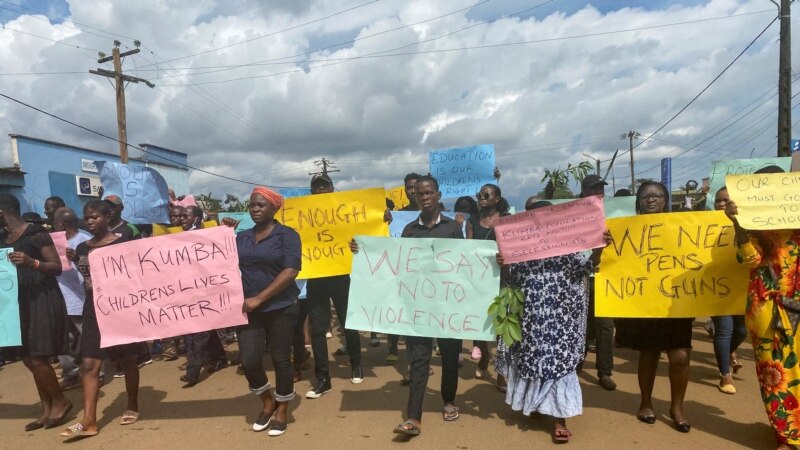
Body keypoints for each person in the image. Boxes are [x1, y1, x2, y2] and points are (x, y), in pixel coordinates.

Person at [495, 200, 611, 443]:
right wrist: (504, 264)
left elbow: (588, 267)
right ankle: (536, 404)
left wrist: (600, 246)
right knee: (533, 361)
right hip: (532, 319)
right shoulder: (522, 249)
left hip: (562, 320)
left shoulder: (569, 247)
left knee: (560, 365)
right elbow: (511, 280)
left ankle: (560, 419)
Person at [725, 165, 800, 449]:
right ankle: (788, 435)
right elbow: (750, 260)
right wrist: (738, 224)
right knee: (775, 373)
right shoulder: (751, 225)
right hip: (768, 308)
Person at [615, 181, 692, 433]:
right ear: (638, 201)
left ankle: (677, 407)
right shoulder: (624, 229)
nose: (650, 200)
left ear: (665, 199)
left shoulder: (681, 226)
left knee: (680, 356)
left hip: (675, 301)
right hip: (645, 301)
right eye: (645, 196)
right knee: (649, 353)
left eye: (656, 195)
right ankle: (646, 403)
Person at [60, 200, 142, 439]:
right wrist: (76, 260)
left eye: (95, 217)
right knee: (89, 364)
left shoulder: (123, 243)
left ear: (107, 217)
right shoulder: (84, 248)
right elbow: (88, 276)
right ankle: (89, 421)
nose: (90, 221)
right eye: (87, 218)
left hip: (120, 309)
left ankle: (133, 404)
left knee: (127, 359)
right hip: (93, 310)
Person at [223, 186, 300, 436]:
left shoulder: (287, 235)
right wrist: (223, 235)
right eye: (252, 205)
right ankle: (267, 401)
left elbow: (290, 271)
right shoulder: (242, 238)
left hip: (281, 307)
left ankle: (282, 409)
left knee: (280, 358)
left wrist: (260, 298)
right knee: (249, 360)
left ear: (275, 208)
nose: (255, 209)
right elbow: (219, 263)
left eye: (261, 205)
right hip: (248, 310)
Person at [392, 175, 464, 436]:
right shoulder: (410, 230)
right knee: (419, 360)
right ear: (415, 197)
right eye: (420, 194)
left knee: (448, 355)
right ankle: (413, 416)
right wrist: (361, 251)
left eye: (429, 192)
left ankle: (448, 400)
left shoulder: (453, 229)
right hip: (419, 305)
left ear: (438, 194)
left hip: (448, 305)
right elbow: (399, 262)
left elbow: (467, 264)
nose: (424, 197)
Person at [0, 194, 71, 431]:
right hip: (17, 304)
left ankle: (60, 402)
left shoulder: (35, 234)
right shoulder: (3, 239)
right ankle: (47, 407)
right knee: (28, 358)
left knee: (37, 356)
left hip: (42, 299)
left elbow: (57, 268)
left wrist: (33, 263)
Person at [305, 173, 364, 399]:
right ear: (311, 191)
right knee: (318, 330)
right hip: (316, 277)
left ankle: (357, 364)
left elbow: (366, 229)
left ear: (331, 188)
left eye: (324, 186)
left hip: (341, 275)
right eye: (316, 187)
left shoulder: (345, 210)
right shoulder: (303, 214)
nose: (321, 190)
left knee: (348, 322)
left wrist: (383, 218)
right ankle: (323, 378)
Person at [467, 184, 510, 381]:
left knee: (502, 327)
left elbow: (514, 249)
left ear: (497, 199)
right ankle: (484, 355)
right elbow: (468, 251)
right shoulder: (472, 221)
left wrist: (506, 259)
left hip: (503, 279)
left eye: (486, 194)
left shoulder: (507, 220)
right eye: (480, 195)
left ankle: (501, 372)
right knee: (480, 324)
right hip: (479, 282)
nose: (482, 197)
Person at [580, 174, 617, 391]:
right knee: (581, 326)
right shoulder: (571, 217)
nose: (598, 194)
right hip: (581, 278)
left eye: (601, 190)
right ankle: (575, 366)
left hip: (605, 278)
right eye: (594, 190)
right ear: (583, 193)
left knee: (606, 326)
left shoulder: (612, 216)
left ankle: (604, 372)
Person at [51, 207, 92, 391]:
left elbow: (93, 268)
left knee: (87, 337)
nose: (53, 226)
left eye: (55, 223)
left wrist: (76, 258)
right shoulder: (52, 242)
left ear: (63, 225)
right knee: (63, 339)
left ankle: (95, 373)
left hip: (80, 297)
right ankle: (71, 373)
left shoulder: (84, 239)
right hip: (60, 297)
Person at [710, 186, 746, 394]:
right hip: (715, 285)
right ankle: (725, 374)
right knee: (724, 329)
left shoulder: (746, 224)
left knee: (741, 330)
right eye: (718, 200)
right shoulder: (701, 224)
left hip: (740, 285)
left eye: (726, 200)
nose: (722, 204)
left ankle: (729, 352)